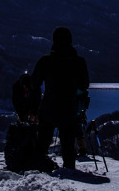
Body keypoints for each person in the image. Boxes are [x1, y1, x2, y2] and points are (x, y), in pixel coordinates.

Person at [31, 26, 90, 170]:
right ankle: (69, 171)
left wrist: (34, 107)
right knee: (68, 147)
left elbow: (34, 84)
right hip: (69, 109)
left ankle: (39, 170)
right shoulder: (79, 62)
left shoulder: (46, 61)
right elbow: (84, 85)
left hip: (48, 109)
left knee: (42, 144)